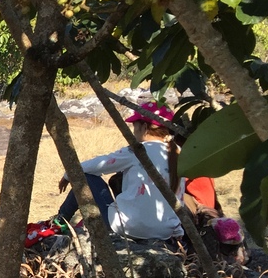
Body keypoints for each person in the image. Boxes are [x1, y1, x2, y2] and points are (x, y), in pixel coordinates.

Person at [57, 101, 183, 241]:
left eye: (135, 126)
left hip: (127, 227)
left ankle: (60, 221)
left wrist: (68, 174)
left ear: (145, 127)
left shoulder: (138, 151)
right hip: (165, 232)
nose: (134, 131)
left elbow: (99, 164)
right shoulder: (180, 154)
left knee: (86, 177)